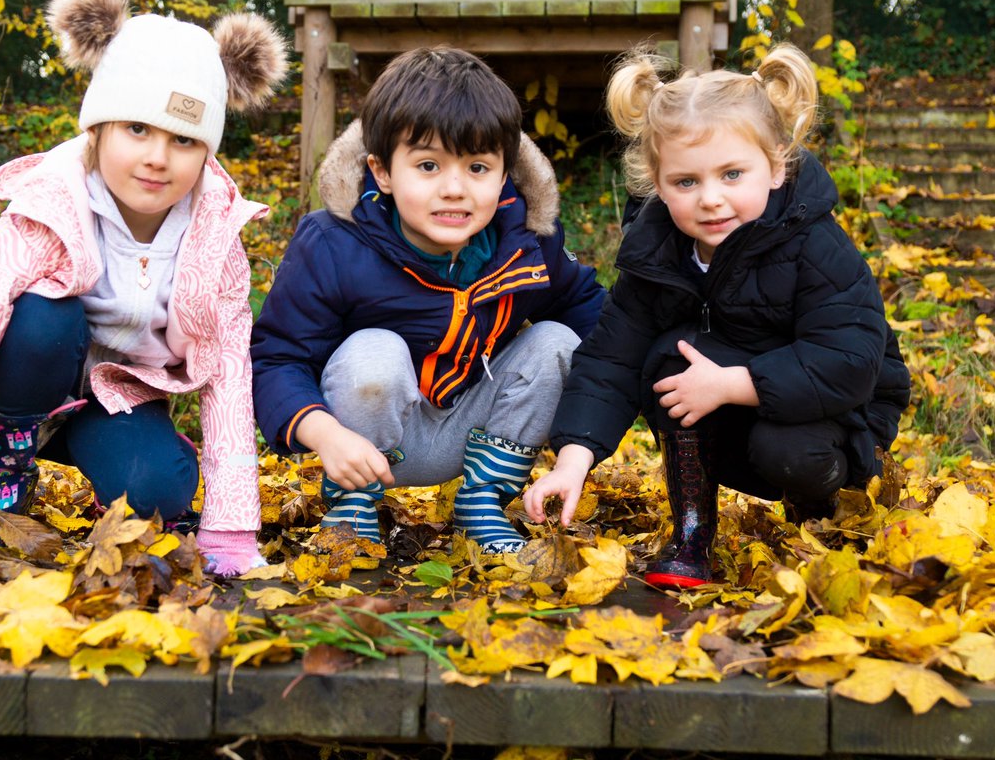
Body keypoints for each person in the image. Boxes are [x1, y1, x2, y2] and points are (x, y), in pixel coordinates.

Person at [0, 0, 288, 576]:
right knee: (42, 316)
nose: (158, 157)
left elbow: (229, 381)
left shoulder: (214, 241)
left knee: (157, 492)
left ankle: (133, 459)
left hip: (119, 395)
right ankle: (4, 462)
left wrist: (231, 528)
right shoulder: (48, 209)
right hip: (29, 377)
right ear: (97, 128)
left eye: (184, 139)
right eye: (137, 129)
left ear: (206, 153)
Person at [524, 43, 911, 588]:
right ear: (658, 186)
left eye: (732, 174)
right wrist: (573, 455)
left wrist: (735, 383)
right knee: (667, 359)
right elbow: (612, 354)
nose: (710, 199)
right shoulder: (657, 254)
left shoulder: (816, 245)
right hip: (724, 404)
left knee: (789, 453)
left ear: (775, 168)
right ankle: (691, 531)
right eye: (687, 182)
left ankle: (821, 510)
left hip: (838, 417)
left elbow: (849, 360)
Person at [251, 47, 605, 553]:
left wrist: (652, 367)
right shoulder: (334, 243)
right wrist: (325, 435)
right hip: (361, 441)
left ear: (505, 175)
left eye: (478, 167)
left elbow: (601, 322)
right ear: (383, 172)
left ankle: (482, 501)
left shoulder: (525, 240)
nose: (455, 188)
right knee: (374, 350)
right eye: (428, 165)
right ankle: (354, 506)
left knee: (557, 343)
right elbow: (276, 357)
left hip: (471, 429)